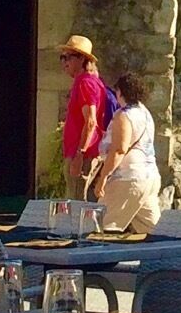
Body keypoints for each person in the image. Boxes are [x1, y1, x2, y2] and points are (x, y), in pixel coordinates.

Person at [92, 71, 161, 235]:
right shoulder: (145, 113)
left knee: (100, 226)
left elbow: (119, 149)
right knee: (156, 232)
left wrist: (103, 177)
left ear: (120, 92)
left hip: (127, 178)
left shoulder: (124, 115)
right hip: (149, 178)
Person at [58, 34, 113, 192]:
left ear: (82, 59)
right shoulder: (91, 81)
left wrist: (79, 154)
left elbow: (90, 121)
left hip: (84, 155)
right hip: (87, 153)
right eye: (62, 57)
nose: (64, 62)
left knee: (77, 202)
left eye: (69, 57)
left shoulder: (85, 83)